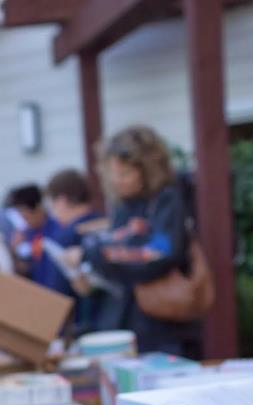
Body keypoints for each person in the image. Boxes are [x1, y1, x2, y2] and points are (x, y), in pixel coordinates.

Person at [79, 125, 201, 357]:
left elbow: (160, 254)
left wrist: (98, 254)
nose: (117, 181)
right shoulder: (123, 205)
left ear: (147, 170)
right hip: (124, 322)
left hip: (161, 327)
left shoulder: (167, 200)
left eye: (124, 173)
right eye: (112, 173)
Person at [46, 169, 113, 333]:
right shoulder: (110, 225)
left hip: (85, 325)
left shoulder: (64, 238)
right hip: (120, 316)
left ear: (62, 200)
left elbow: (56, 293)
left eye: (52, 204)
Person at [5, 183, 69, 294]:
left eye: (26, 216)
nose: (25, 221)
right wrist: (14, 250)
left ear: (38, 208)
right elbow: (25, 268)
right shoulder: (29, 234)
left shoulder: (57, 229)